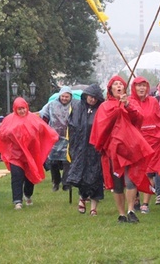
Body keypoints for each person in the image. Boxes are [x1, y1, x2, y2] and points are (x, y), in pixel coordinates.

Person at [90, 76, 154, 224]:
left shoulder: (129, 103)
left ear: (124, 89)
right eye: (115, 84)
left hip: (129, 146)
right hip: (113, 149)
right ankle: (121, 213)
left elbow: (138, 119)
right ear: (111, 88)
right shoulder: (104, 106)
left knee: (130, 179)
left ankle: (131, 209)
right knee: (117, 183)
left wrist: (126, 106)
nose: (118, 86)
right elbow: (101, 127)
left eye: (121, 84)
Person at [0, 97, 58, 209]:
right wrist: (8, 134)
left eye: (23, 108)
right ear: (15, 109)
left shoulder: (33, 118)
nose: (22, 111)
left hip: (30, 154)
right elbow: (1, 135)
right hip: (15, 155)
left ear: (27, 107)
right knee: (17, 176)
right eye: (19, 109)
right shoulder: (9, 120)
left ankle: (27, 195)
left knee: (30, 176)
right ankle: (17, 201)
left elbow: (44, 130)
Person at [131, 76, 160, 214]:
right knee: (134, 173)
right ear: (134, 88)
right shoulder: (130, 102)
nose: (141, 88)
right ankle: (134, 199)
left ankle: (145, 203)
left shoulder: (153, 101)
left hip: (151, 142)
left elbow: (159, 120)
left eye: (144, 85)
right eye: (138, 85)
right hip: (135, 142)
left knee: (148, 172)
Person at [67, 84, 106, 216]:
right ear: (86, 96)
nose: (93, 100)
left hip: (95, 148)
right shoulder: (78, 107)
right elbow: (72, 125)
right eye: (91, 97)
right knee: (82, 174)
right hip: (80, 147)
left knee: (96, 176)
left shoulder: (101, 109)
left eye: (95, 98)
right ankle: (82, 197)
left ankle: (94, 207)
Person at [39, 86, 74, 191]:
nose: (64, 98)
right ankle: (56, 181)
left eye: (67, 97)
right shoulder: (51, 105)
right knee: (53, 161)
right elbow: (43, 115)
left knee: (67, 161)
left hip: (69, 137)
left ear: (70, 97)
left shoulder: (74, 105)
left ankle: (66, 183)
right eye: (63, 96)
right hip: (54, 137)